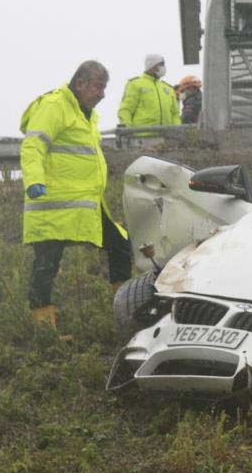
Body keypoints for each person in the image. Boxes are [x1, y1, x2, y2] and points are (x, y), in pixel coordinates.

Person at [19, 60, 132, 328]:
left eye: (104, 88)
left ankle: (126, 313)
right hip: (51, 206)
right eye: (98, 87)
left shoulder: (85, 114)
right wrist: (34, 181)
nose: (102, 94)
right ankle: (44, 328)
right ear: (80, 83)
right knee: (46, 265)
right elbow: (33, 146)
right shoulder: (55, 106)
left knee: (120, 245)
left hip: (83, 207)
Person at [117, 54, 182, 134]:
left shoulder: (168, 88)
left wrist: (177, 132)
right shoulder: (135, 84)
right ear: (152, 65)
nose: (164, 67)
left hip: (167, 139)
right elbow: (126, 110)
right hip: (142, 138)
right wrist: (127, 131)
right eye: (161, 64)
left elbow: (175, 114)